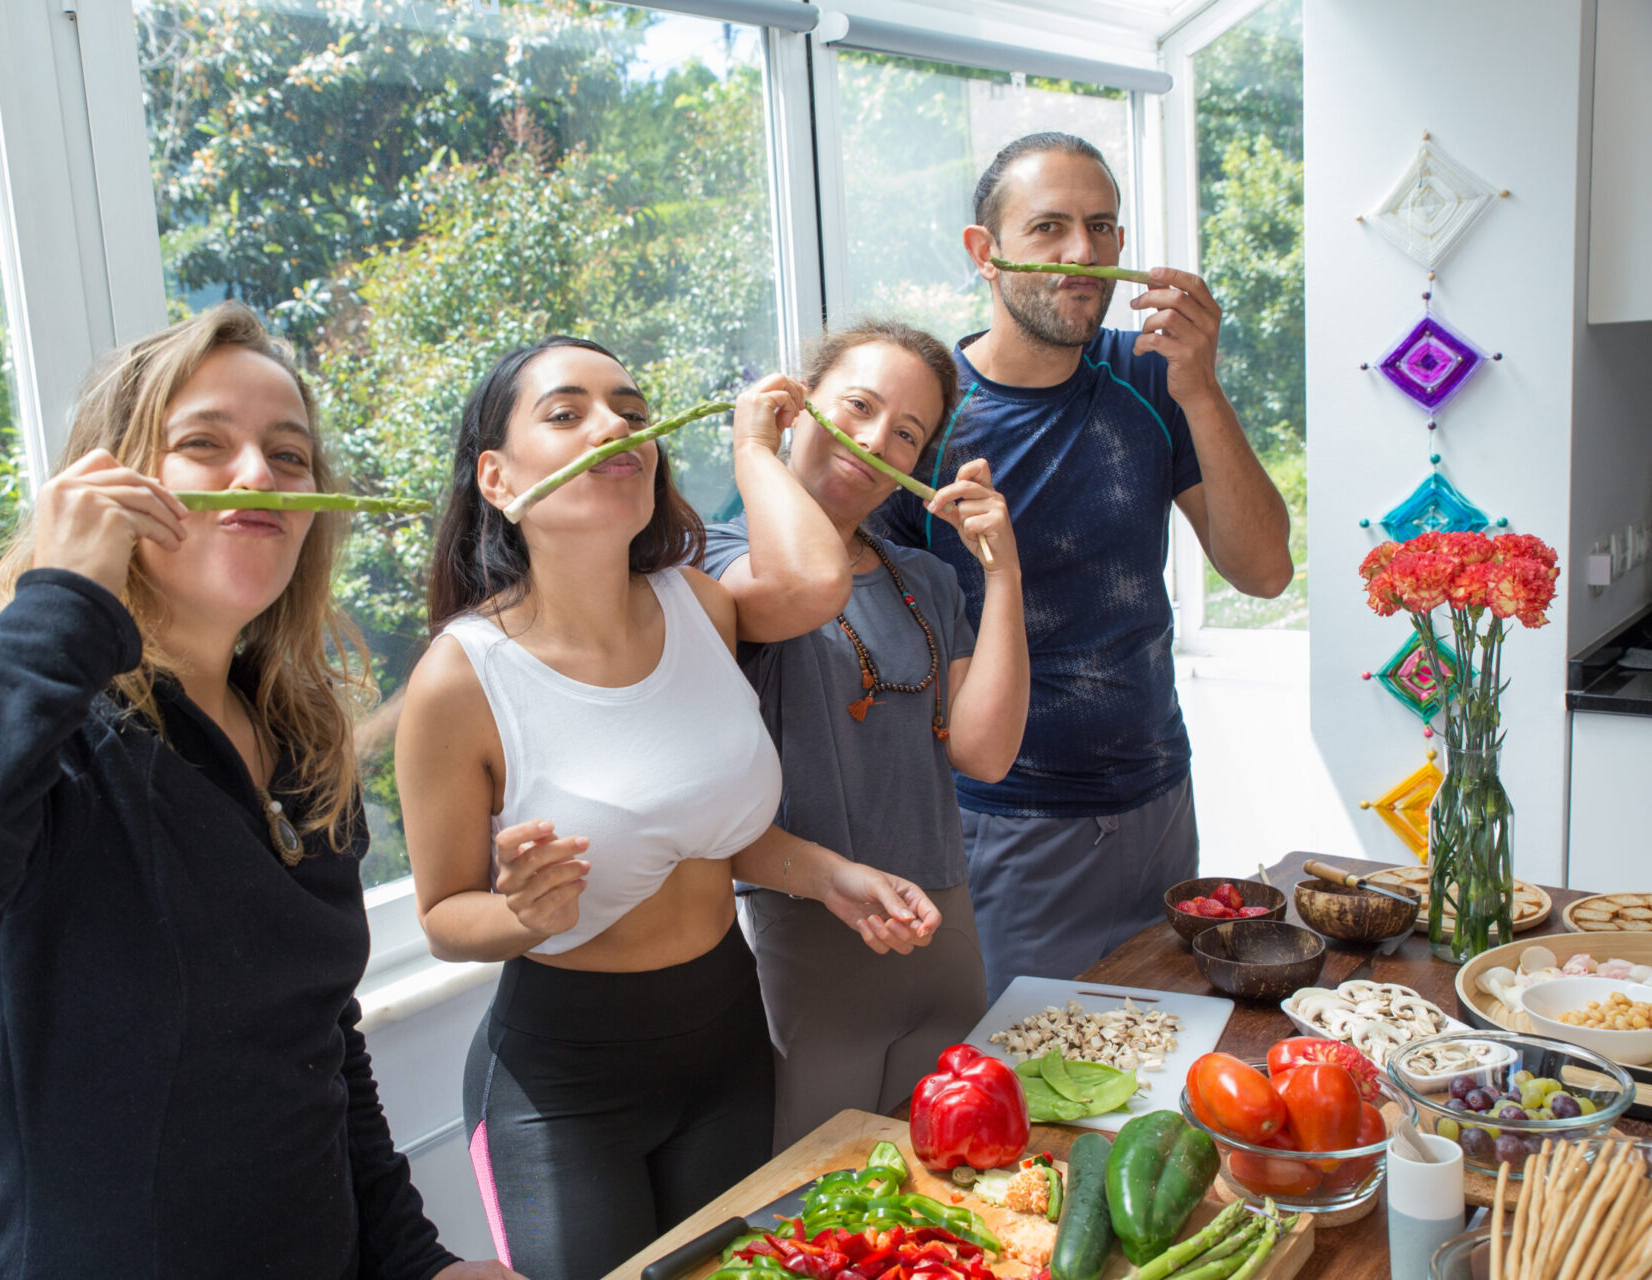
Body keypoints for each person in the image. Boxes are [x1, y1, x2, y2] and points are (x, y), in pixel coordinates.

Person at [0, 303, 517, 1280]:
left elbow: (317, 1045)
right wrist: (60, 603)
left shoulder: (300, 741)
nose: (257, 474)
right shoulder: (46, 735)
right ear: (113, 484)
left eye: (289, 454)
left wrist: (415, 1257)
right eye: (204, 444)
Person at [397, 336, 944, 1280]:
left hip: (728, 1044)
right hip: (562, 1086)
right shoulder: (459, 678)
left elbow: (713, 835)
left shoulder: (700, 603)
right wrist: (524, 913)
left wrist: (830, 876)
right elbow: (446, 918)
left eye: (633, 413)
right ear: (496, 476)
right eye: (568, 413)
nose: (617, 428)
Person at [877, 131, 1294, 995]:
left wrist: (1203, 386)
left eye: (1102, 229)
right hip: (1010, 828)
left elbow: (1263, 572)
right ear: (982, 254)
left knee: (1160, 1064)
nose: (1083, 255)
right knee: (1037, 1093)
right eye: (1050, 229)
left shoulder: (1151, 376)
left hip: (1161, 804)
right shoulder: (927, 422)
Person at [704, 320, 1030, 1149]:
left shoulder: (921, 575)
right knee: (817, 1211)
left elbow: (985, 753)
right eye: (858, 405)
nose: (877, 439)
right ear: (799, 402)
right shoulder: (718, 564)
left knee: (943, 1191)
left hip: (943, 929)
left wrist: (1001, 570)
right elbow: (806, 581)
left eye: (908, 433)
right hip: (812, 934)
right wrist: (755, 452)